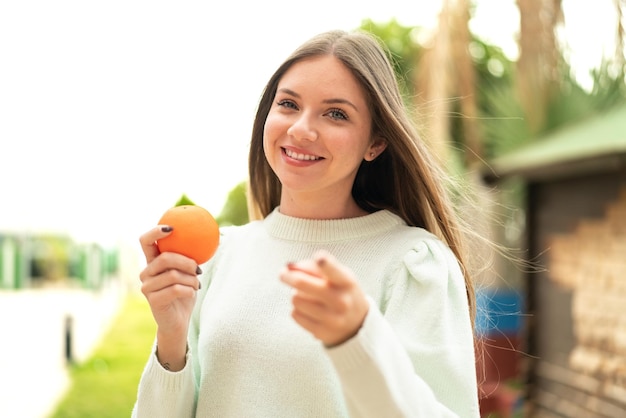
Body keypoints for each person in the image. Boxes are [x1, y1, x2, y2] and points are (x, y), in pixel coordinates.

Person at [133, 29, 480, 418]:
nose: (300, 129)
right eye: (288, 104)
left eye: (336, 113)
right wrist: (172, 337)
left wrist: (359, 341)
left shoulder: (412, 263)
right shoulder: (222, 255)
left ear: (375, 143)